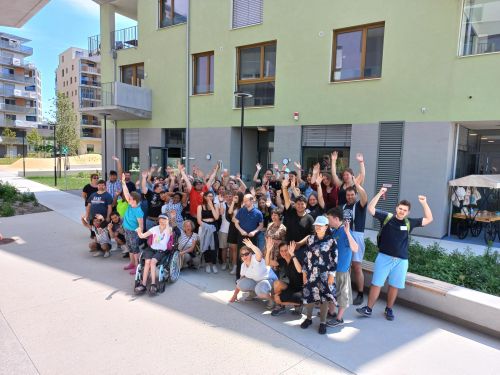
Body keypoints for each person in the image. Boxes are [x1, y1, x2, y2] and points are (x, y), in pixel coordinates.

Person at [357, 187, 433, 321]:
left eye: (405, 210)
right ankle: (368, 309)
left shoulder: (410, 223)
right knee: (376, 284)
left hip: (401, 261)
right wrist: (380, 193)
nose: (402, 211)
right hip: (384, 257)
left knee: (394, 286)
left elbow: (429, 219)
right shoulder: (387, 217)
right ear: (396, 208)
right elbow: (370, 209)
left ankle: (389, 309)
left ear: (408, 212)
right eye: (400, 208)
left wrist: (424, 203)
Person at [299, 215, 337, 335]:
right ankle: (309, 318)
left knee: (324, 298)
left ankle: (323, 322)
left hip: (325, 274)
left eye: (320, 226)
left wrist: (332, 275)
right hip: (311, 273)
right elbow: (306, 257)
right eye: (316, 225)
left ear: (326, 227)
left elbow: (335, 259)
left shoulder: (331, 241)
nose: (318, 228)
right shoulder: (310, 239)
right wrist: (304, 273)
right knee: (309, 295)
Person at [326, 207, 359, 328]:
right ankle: (331, 312)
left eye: (329, 218)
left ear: (335, 218)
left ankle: (339, 318)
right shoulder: (334, 231)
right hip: (332, 270)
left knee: (342, 295)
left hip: (341, 270)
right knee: (331, 293)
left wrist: (348, 233)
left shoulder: (345, 231)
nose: (328, 221)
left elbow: (355, 248)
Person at [229, 238, 278, 309]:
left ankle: (271, 300)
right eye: (242, 255)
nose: (244, 256)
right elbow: (240, 280)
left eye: (246, 254)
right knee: (240, 283)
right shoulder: (243, 266)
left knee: (260, 290)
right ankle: (253, 293)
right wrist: (234, 295)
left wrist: (251, 246)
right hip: (256, 281)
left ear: (251, 253)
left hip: (269, 280)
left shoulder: (255, 258)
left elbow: (260, 254)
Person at [343, 180, 368, 305]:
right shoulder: (343, 206)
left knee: (357, 267)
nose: (350, 197)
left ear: (356, 195)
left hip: (356, 235)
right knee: (346, 266)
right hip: (345, 236)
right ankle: (346, 290)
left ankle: (360, 293)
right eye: (348, 195)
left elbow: (365, 197)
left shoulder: (360, 206)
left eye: (352, 194)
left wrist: (357, 185)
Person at [135, 214, 173, 295]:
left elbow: (170, 232)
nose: (162, 221)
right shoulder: (154, 228)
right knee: (147, 262)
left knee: (153, 262)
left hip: (161, 250)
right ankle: (143, 284)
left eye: (164, 220)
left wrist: (169, 220)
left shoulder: (169, 229)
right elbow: (142, 236)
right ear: (158, 220)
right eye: (160, 219)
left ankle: (153, 284)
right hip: (151, 249)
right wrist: (139, 231)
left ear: (167, 221)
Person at [266, 239, 304, 316]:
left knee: (279, 298)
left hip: (301, 290)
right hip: (291, 287)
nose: (284, 253)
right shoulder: (282, 261)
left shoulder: (296, 258)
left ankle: (299, 304)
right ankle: (280, 307)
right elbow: (268, 263)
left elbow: (300, 270)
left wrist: (292, 254)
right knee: (277, 285)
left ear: (290, 249)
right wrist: (268, 250)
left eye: (286, 250)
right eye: (281, 251)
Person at [233, 194, 264, 280]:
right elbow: (236, 223)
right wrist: (241, 230)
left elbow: (261, 225)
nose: (244, 202)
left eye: (246, 200)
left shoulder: (258, 213)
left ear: (252, 201)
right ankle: (238, 277)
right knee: (241, 256)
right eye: (244, 200)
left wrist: (254, 231)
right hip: (242, 237)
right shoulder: (241, 210)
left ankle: (250, 277)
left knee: (252, 257)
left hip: (252, 238)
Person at [281, 176, 314, 252]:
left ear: (306, 205)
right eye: (298, 204)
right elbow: (286, 199)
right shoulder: (290, 211)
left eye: (302, 204)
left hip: (303, 249)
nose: (300, 206)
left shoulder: (310, 218)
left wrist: (299, 244)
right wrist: (284, 188)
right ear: (295, 204)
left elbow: (311, 235)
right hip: (288, 247)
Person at [121, 173, 144, 275]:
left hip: (134, 232)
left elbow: (141, 224)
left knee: (135, 249)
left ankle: (137, 266)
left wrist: (140, 233)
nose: (128, 198)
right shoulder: (131, 204)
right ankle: (132, 263)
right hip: (127, 229)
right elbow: (126, 192)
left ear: (135, 200)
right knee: (130, 248)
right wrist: (123, 182)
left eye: (130, 198)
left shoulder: (138, 210)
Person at [197, 191, 220, 273]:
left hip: (213, 226)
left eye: (212, 196)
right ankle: (207, 263)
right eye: (209, 196)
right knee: (206, 245)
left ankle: (213, 264)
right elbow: (199, 220)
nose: (210, 198)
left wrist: (211, 206)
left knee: (214, 246)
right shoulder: (200, 206)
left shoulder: (216, 205)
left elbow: (216, 217)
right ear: (205, 197)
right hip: (205, 226)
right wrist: (206, 226)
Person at [226, 192, 243, 275]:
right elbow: (229, 212)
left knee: (241, 249)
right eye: (234, 197)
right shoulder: (234, 205)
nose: (235, 198)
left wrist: (237, 220)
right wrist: (233, 202)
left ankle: (241, 267)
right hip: (233, 228)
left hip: (241, 228)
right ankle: (234, 266)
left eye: (236, 197)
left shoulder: (243, 205)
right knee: (233, 249)